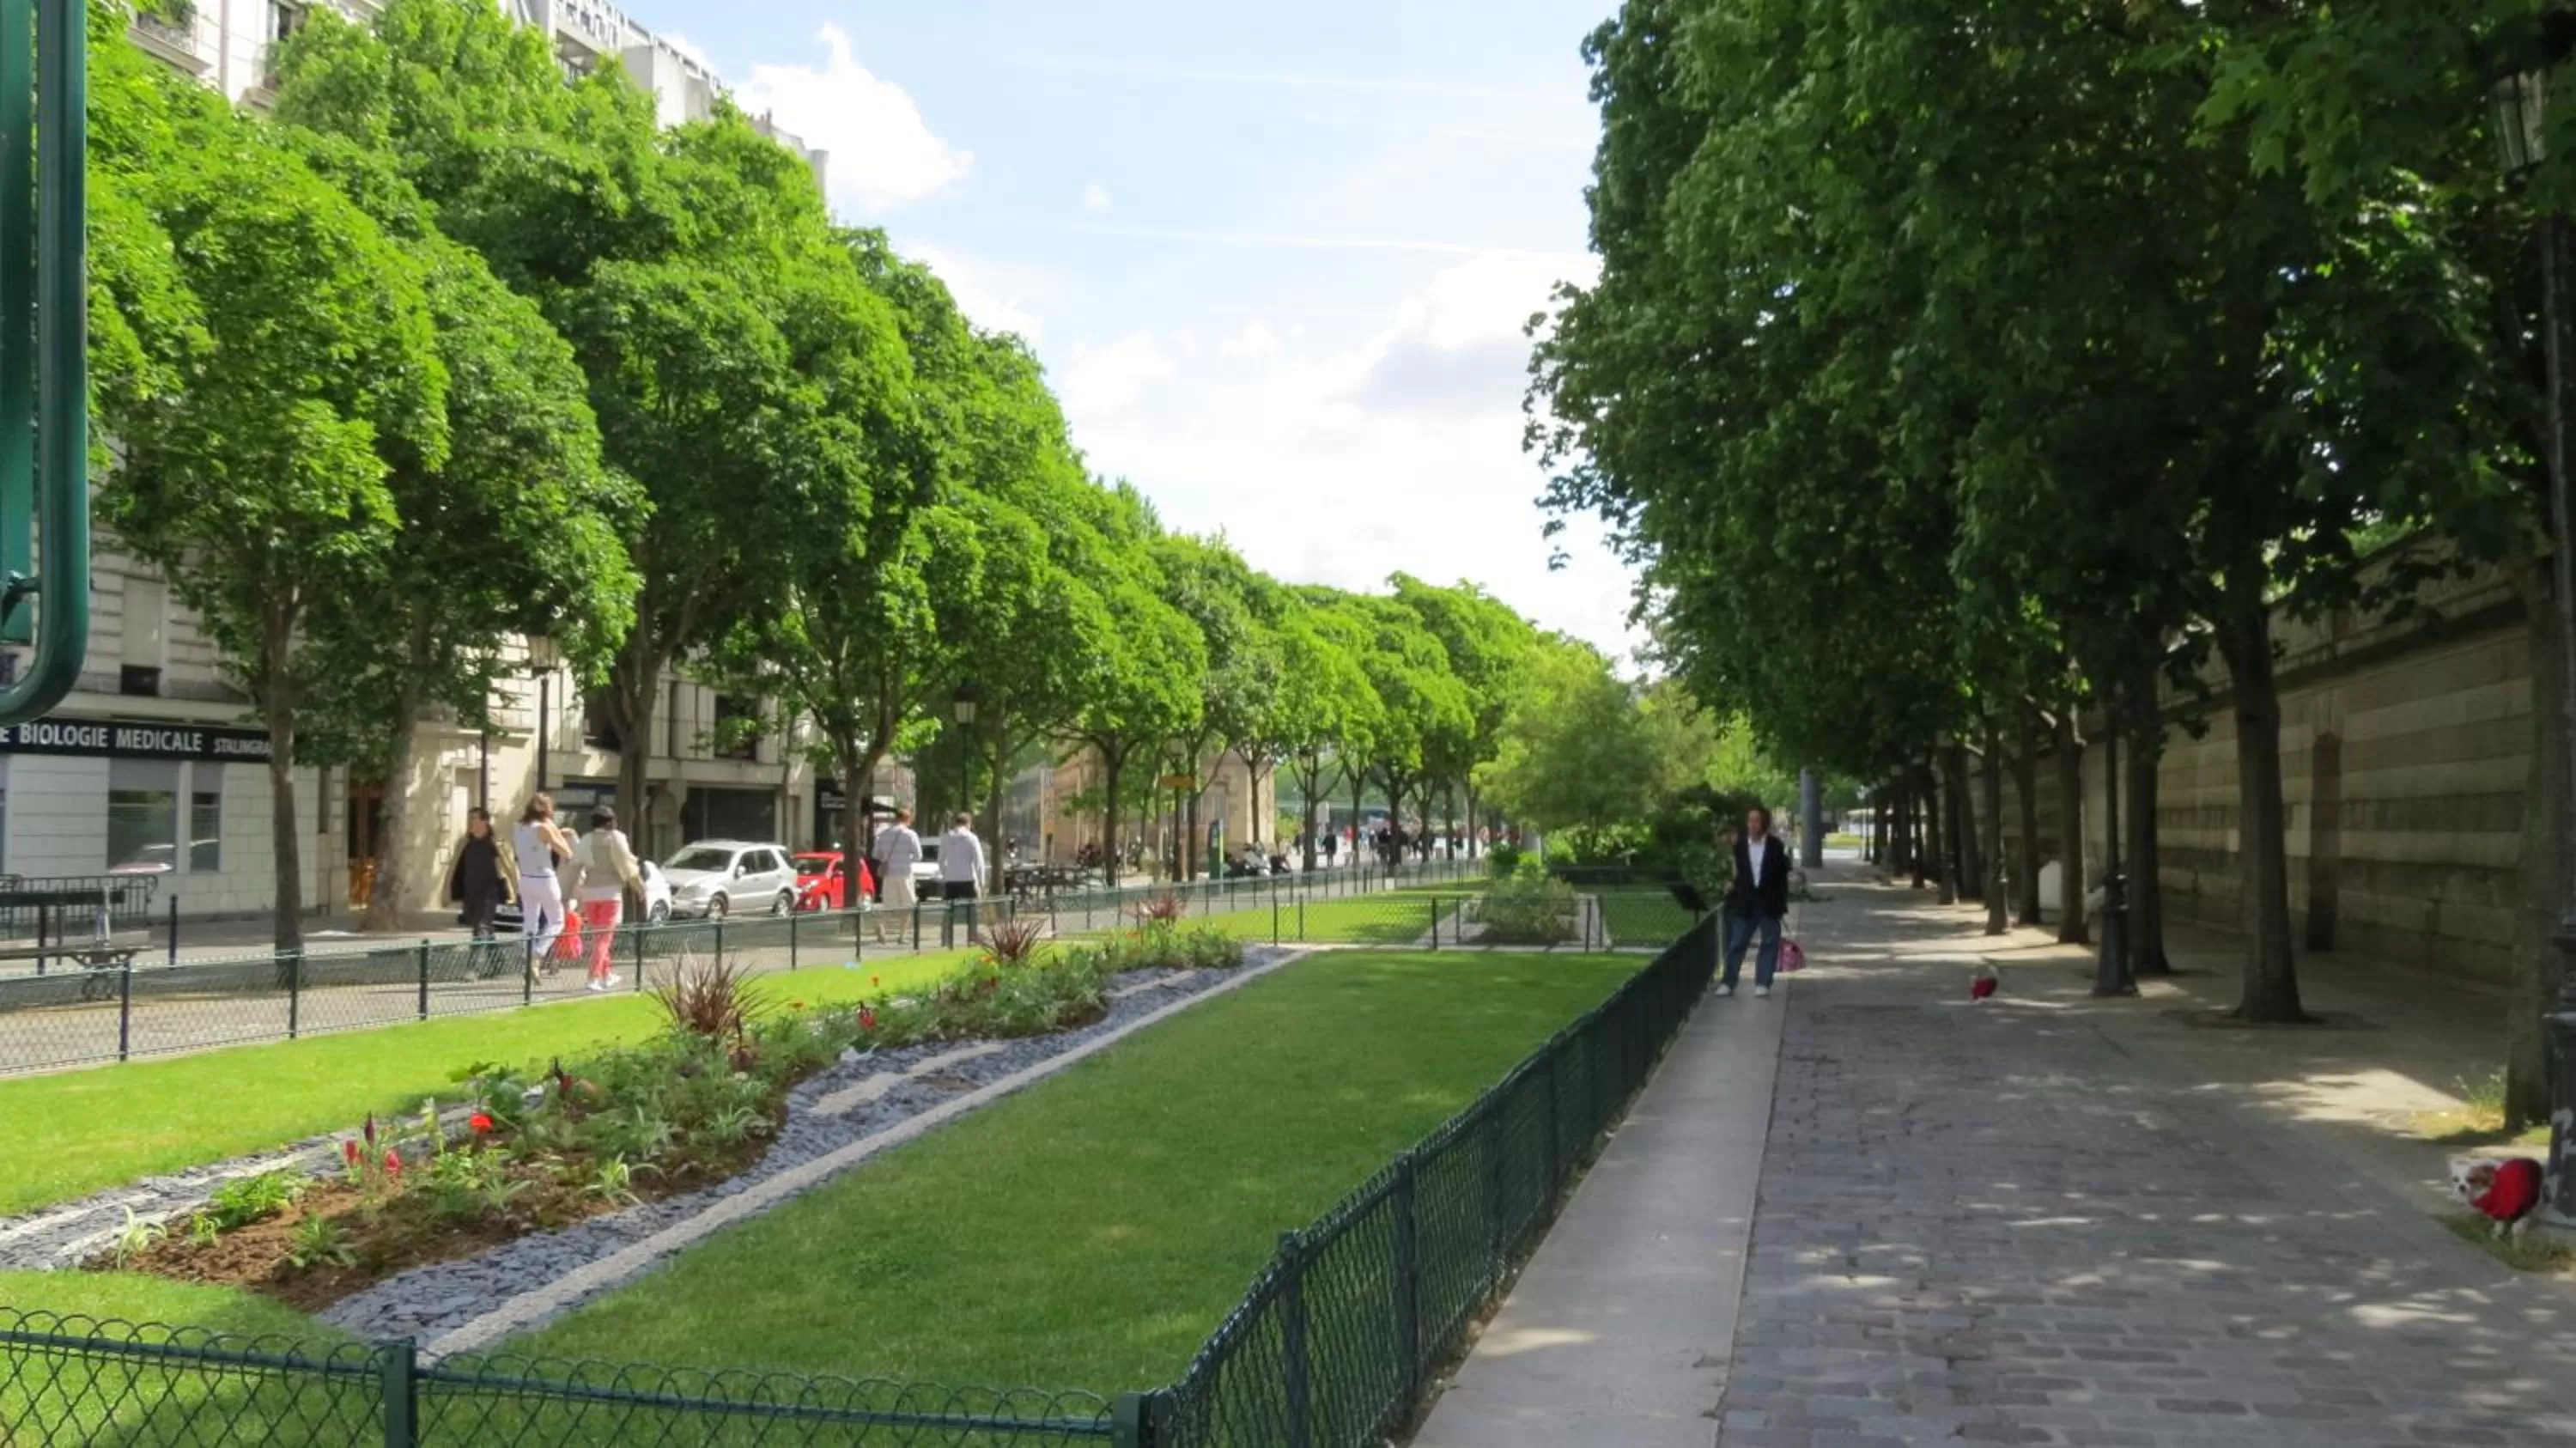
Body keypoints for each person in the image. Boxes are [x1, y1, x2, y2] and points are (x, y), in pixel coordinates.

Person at [1718, 805, 1791, 999]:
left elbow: (1782, 877)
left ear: (1764, 823)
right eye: (1750, 821)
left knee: (1769, 942)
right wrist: (1731, 884)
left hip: (1769, 902)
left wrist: (1781, 904)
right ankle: (1728, 982)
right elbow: (1738, 872)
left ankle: (1763, 983)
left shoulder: (1776, 846)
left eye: (1756, 821)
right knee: (1737, 942)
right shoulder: (1740, 845)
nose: (1752, 825)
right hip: (1745, 901)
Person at [574, 805, 643, 992]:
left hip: (589, 893)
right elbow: (628, 866)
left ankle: (607, 974)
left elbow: (577, 864)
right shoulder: (616, 838)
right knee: (604, 939)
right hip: (610, 893)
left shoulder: (586, 839)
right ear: (611, 820)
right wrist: (639, 887)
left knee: (599, 937)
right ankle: (593, 977)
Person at [513, 794, 577, 981]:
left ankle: (528, 954)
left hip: (525, 878)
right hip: (545, 878)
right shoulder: (544, 827)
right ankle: (538, 954)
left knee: (530, 920)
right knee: (557, 921)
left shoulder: (518, 827)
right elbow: (565, 851)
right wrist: (558, 831)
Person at [447, 809, 508, 942]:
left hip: (489, 893)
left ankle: (473, 961)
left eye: (474, 818)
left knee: (481, 927)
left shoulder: (495, 842)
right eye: (470, 818)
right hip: (470, 893)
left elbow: (507, 867)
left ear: (484, 821)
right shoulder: (465, 843)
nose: (471, 822)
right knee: (478, 926)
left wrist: (513, 890)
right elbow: (454, 868)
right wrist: (448, 891)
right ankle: (496, 959)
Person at [874, 808, 923, 943]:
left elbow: (875, 854)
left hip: (888, 873)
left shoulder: (884, 834)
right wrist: (906, 858)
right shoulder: (910, 835)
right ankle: (902, 936)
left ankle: (880, 924)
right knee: (908, 904)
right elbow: (918, 856)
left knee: (889, 904)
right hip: (904, 873)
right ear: (908, 819)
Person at [939, 812, 988, 945]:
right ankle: (972, 935)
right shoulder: (971, 838)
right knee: (972, 910)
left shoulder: (946, 838)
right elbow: (979, 862)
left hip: (951, 880)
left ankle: (945, 937)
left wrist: (946, 874)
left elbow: (940, 861)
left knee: (949, 909)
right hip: (967, 879)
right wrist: (982, 882)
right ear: (969, 824)